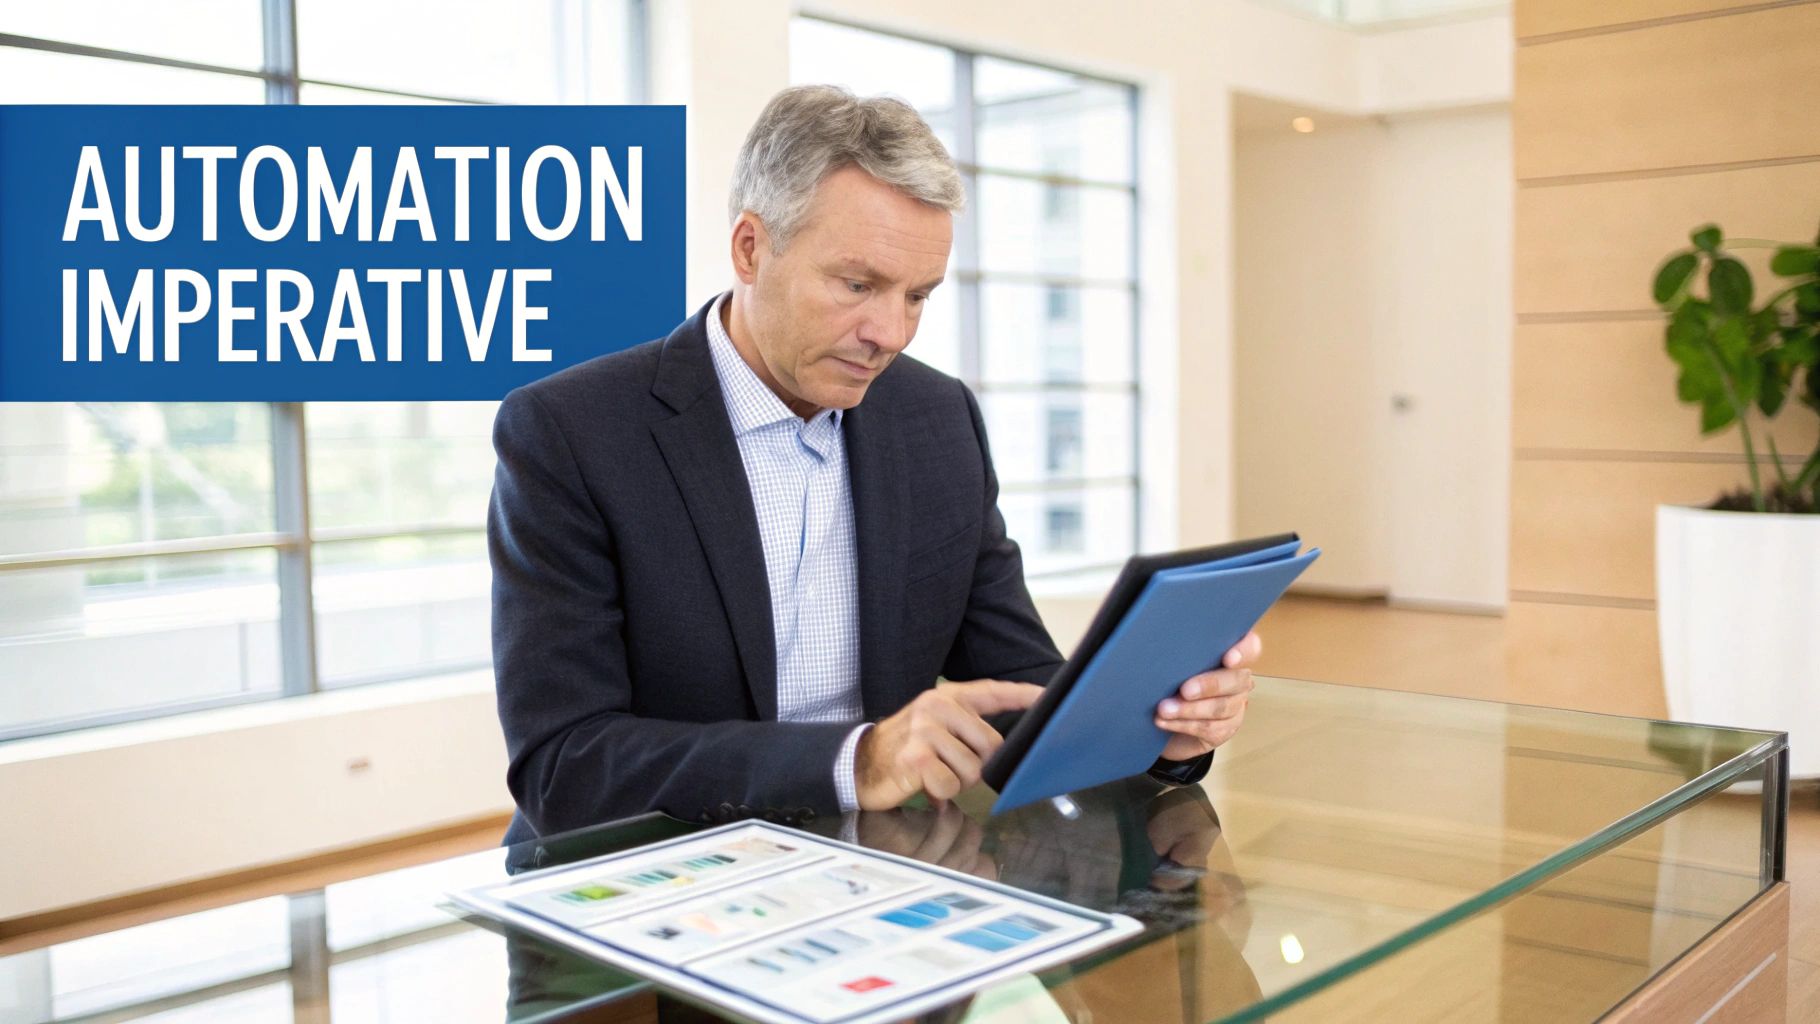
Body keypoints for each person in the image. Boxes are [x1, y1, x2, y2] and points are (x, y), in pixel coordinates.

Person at [489, 84, 1261, 844]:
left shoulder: (938, 419)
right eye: (858, 286)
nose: (889, 333)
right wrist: (854, 762)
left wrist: (1157, 729)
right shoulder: (569, 432)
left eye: (918, 296)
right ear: (751, 249)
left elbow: (1016, 681)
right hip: (645, 868)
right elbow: (565, 766)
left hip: (874, 861)